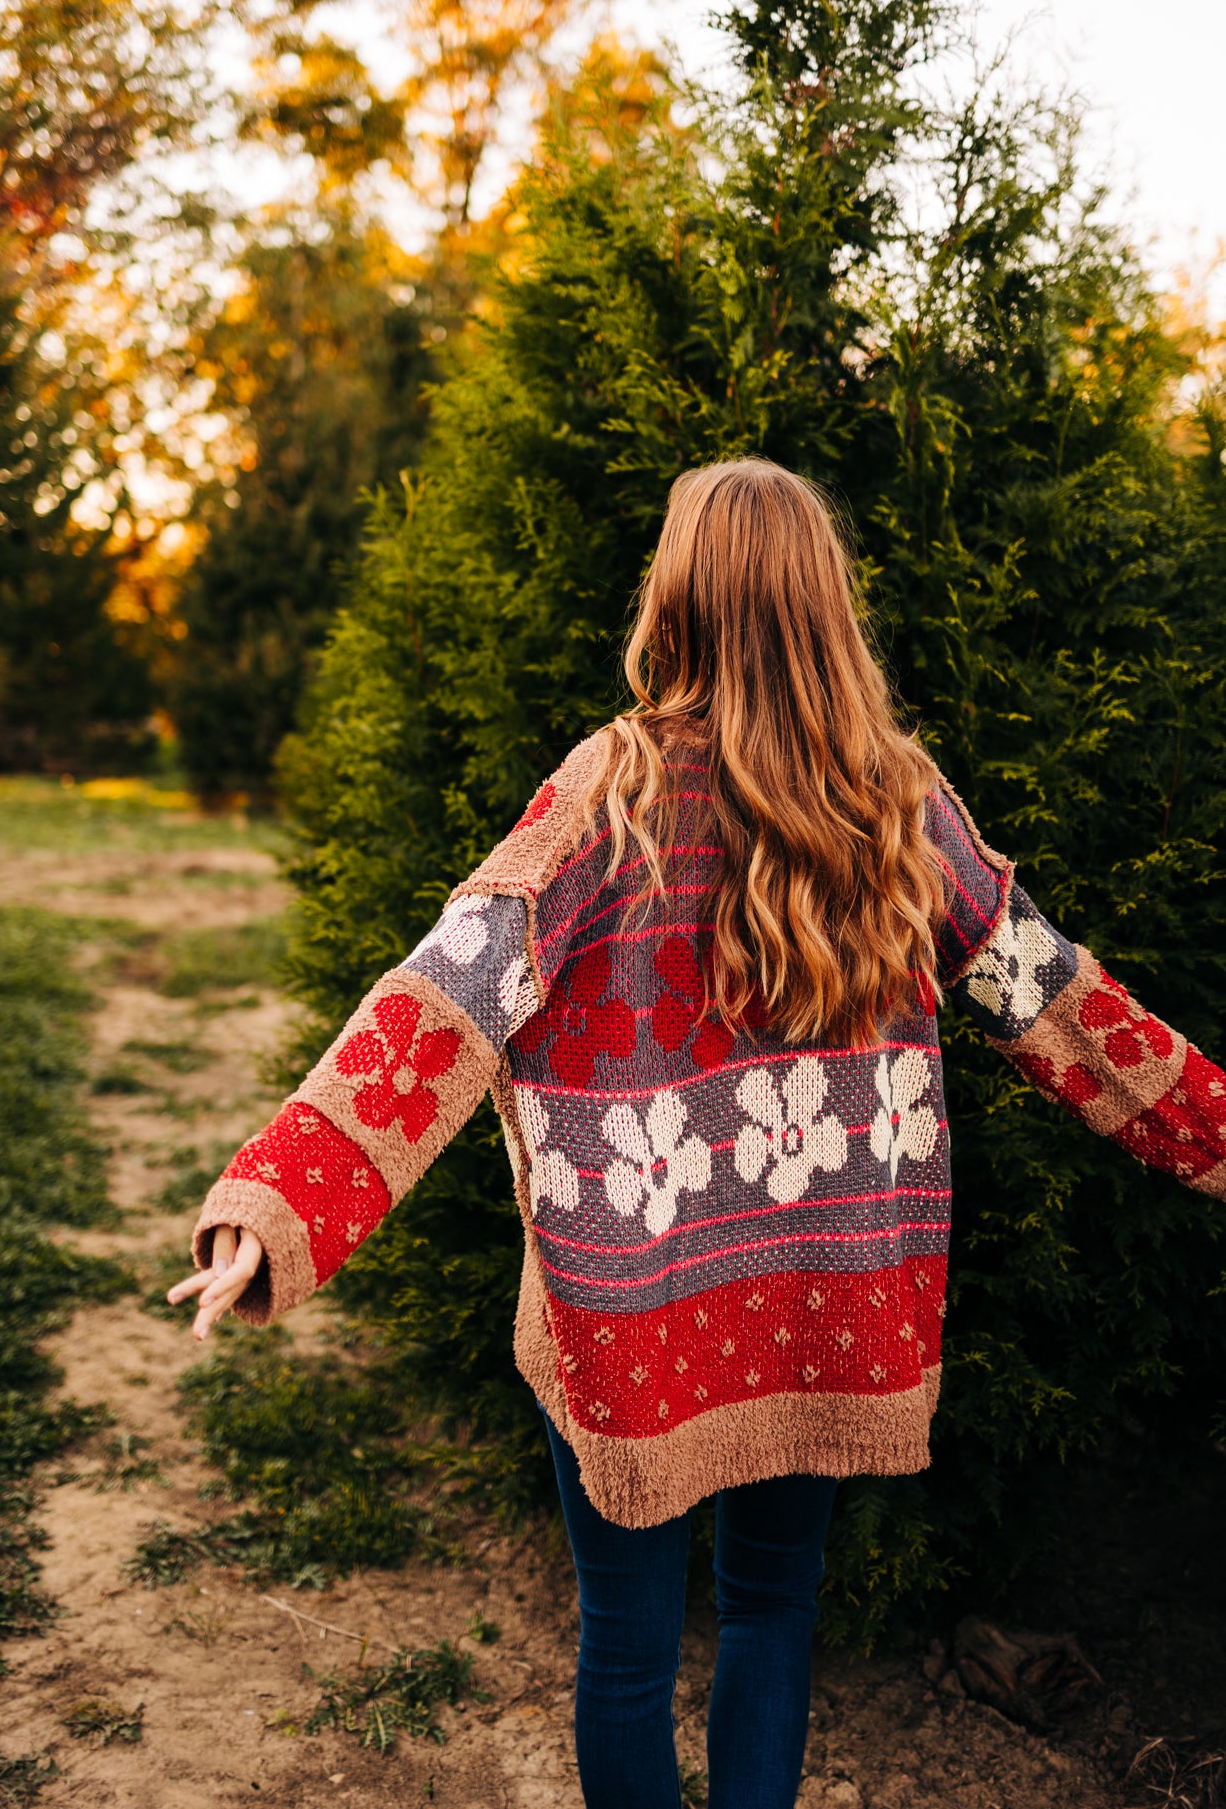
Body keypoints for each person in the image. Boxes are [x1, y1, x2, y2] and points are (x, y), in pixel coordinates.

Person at [170, 459, 1226, 1809]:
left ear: (675, 595)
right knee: (774, 1615)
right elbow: (1062, 1007)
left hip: (638, 1308)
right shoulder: (895, 801)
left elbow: (440, 1007)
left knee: (624, 1646)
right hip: (828, 1299)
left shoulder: (609, 792)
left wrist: (276, 1205)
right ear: (822, 603)